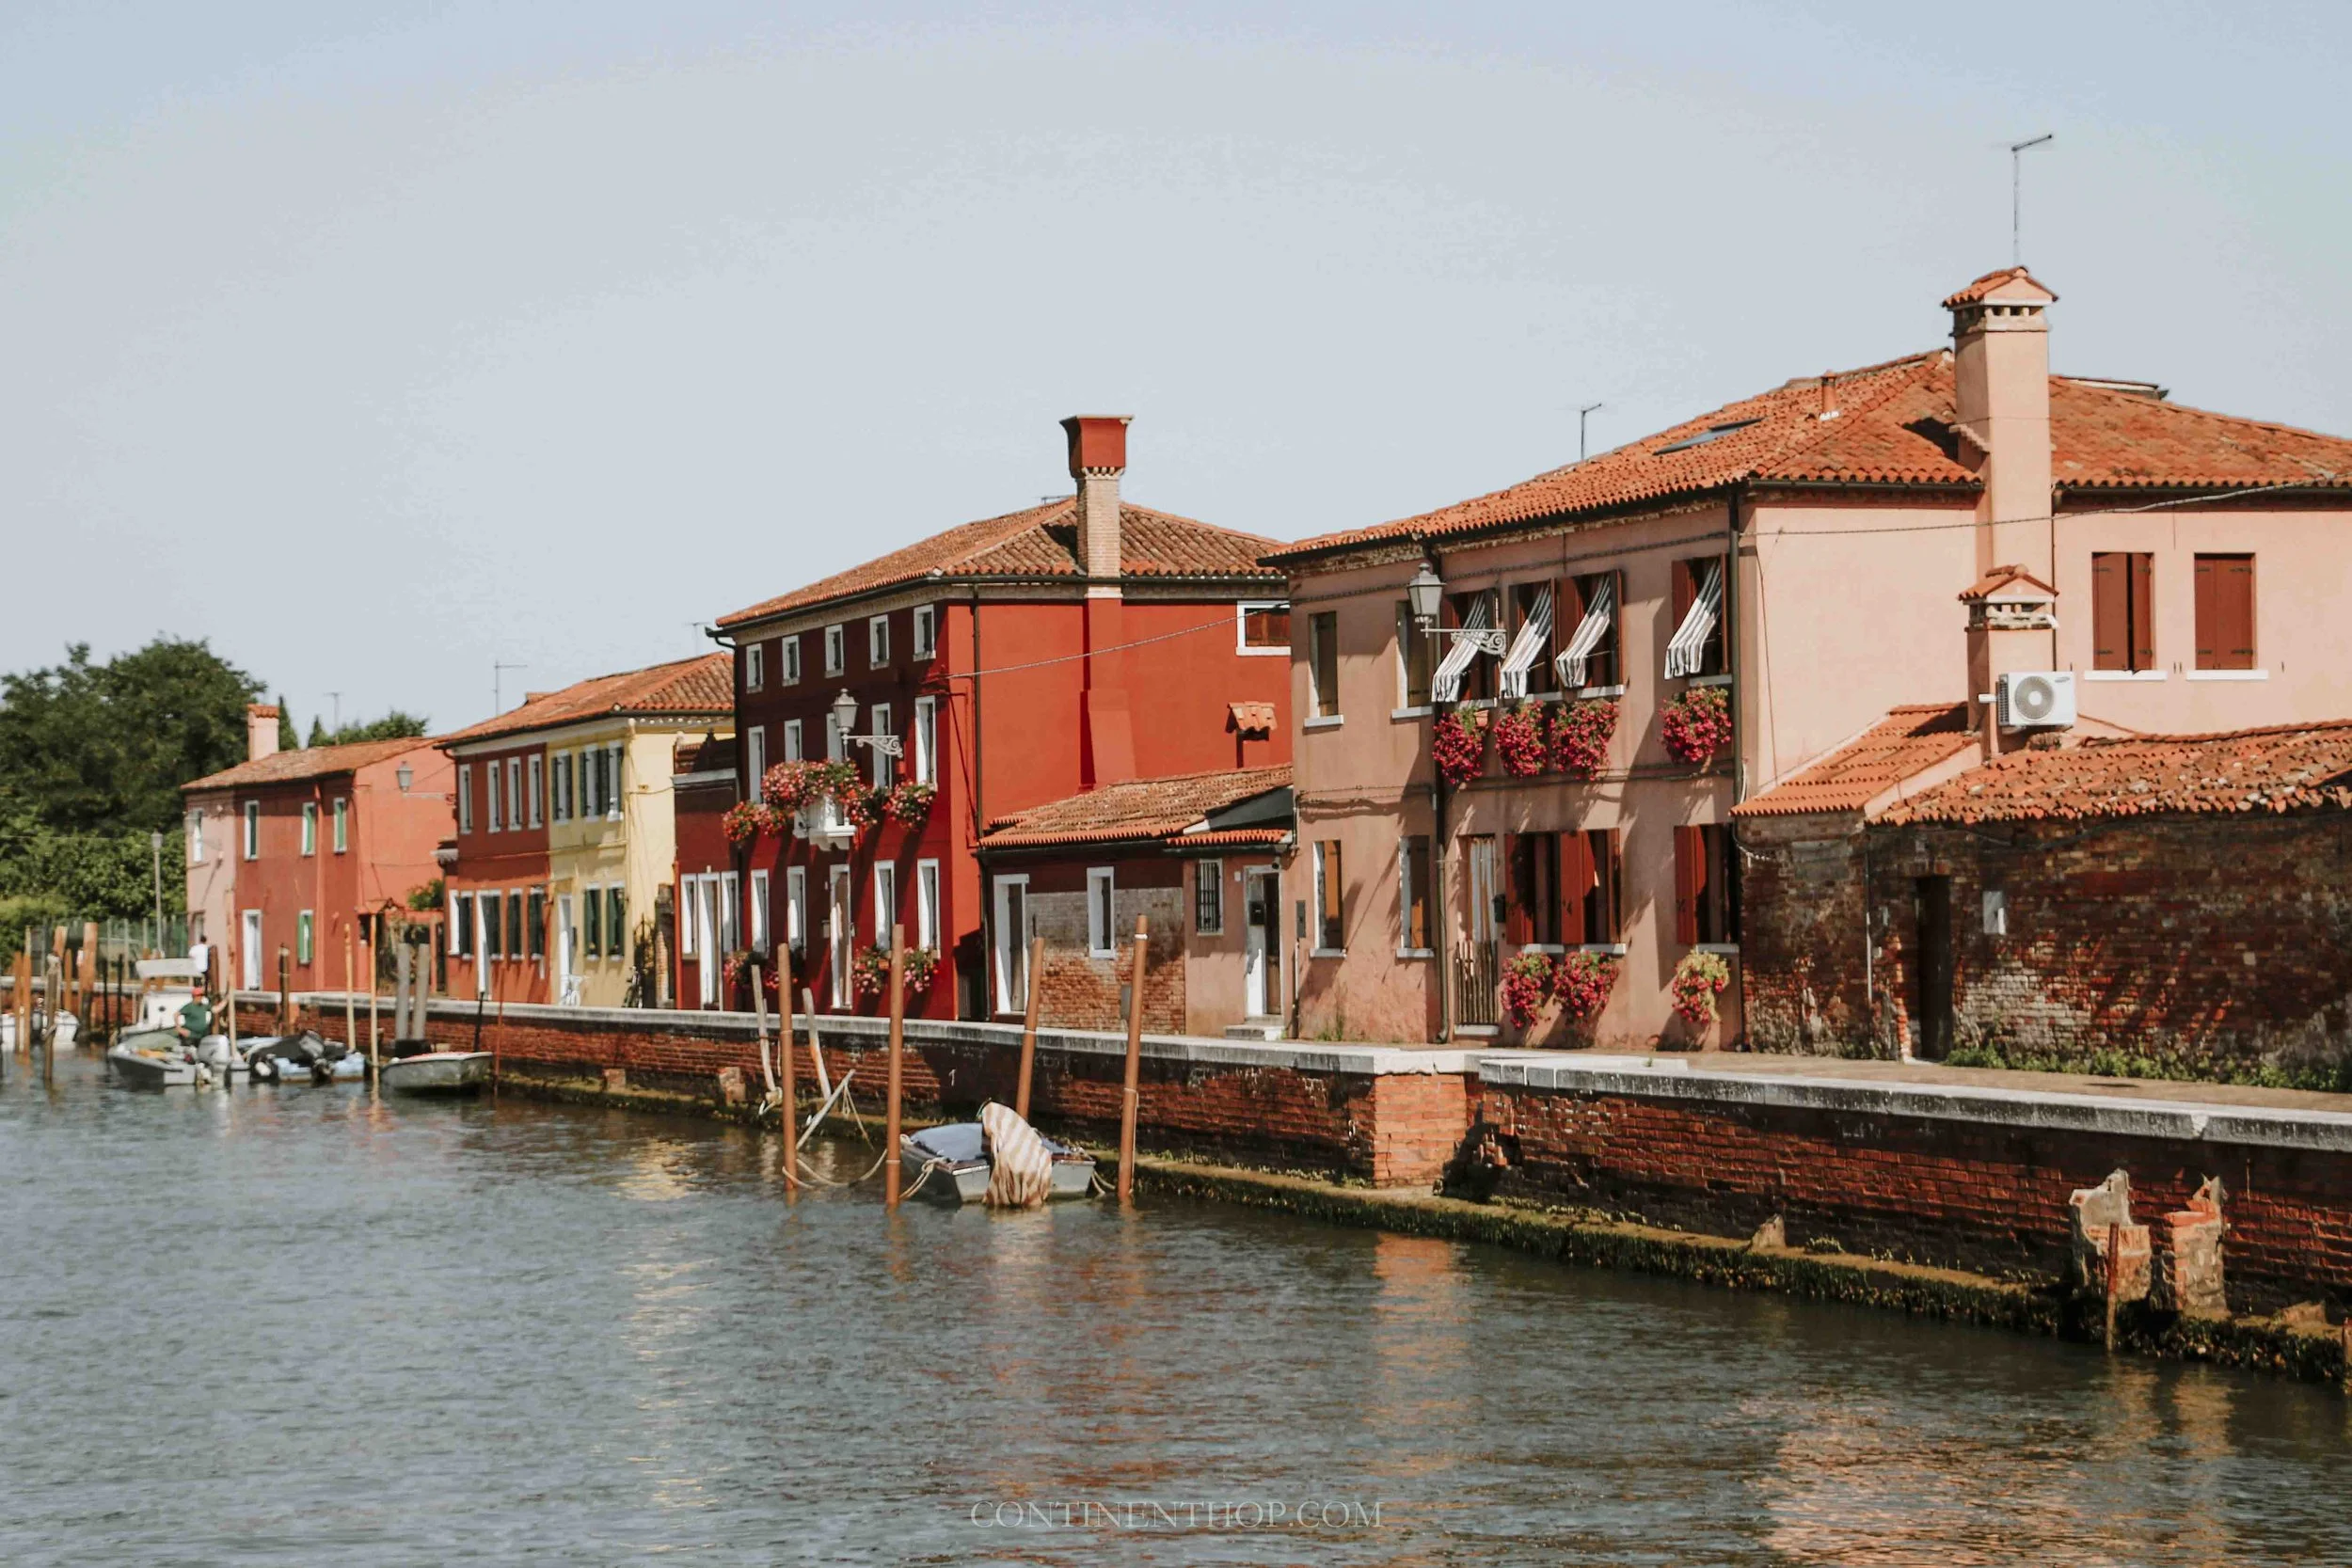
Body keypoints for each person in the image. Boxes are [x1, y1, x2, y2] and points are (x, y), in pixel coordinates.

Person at [176, 977, 215, 1048]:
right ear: (194, 996)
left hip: (201, 1035)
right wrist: (179, 1029)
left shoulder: (203, 1006)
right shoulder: (189, 1006)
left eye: (201, 995)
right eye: (199, 996)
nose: (201, 997)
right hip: (190, 1036)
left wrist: (226, 1000)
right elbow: (176, 1015)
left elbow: (215, 1009)